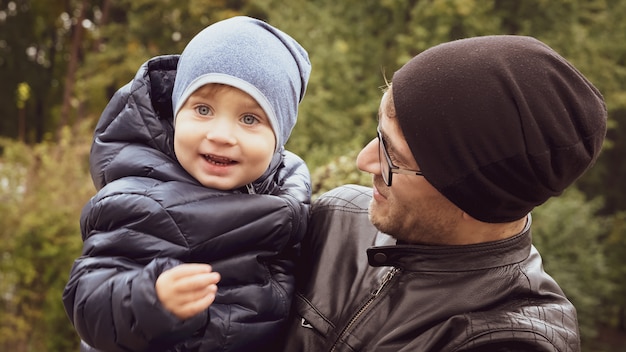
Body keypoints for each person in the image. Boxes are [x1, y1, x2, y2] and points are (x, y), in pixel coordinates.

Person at [281, 35, 606, 351]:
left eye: (394, 157)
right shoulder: (338, 216)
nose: (363, 161)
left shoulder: (508, 339)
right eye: (379, 134)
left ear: (478, 199)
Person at [62, 16, 311, 352]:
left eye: (249, 118)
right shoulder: (144, 198)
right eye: (203, 109)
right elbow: (87, 298)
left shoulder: (289, 194)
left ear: (279, 138)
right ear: (176, 112)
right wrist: (152, 297)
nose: (221, 135)